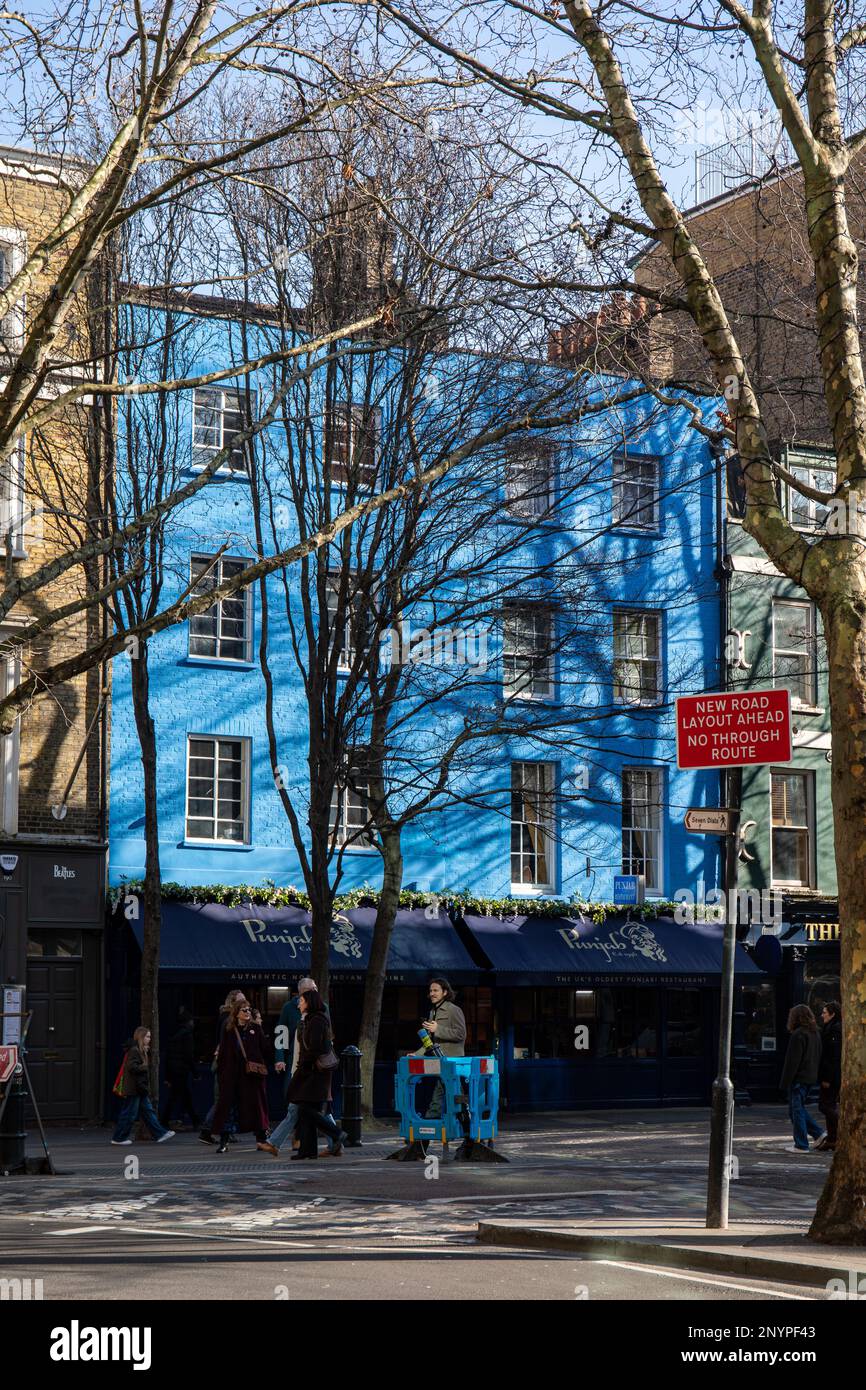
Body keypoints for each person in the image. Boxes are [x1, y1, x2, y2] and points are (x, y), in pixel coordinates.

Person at [261, 976, 338, 1157]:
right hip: (298, 1065)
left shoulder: (321, 1011)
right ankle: (326, 1142)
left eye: (316, 988)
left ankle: (330, 1140)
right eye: (312, 989)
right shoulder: (290, 1008)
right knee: (306, 1106)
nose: (315, 992)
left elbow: (326, 1039)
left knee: (305, 1106)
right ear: (303, 992)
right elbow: (282, 1032)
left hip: (310, 1068)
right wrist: (280, 1057)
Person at [281, 989, 346, 1159]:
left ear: (309, 1002)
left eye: (301, 1000)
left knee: (306, 1109)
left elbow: (315, 1048)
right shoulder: (311, 1020)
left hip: (314, 1074)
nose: (298, 1003)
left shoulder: (317, 1021)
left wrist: (303, 1067)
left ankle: (336, 1133)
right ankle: (308, 1151)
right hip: (311, 1073)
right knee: (307, 1111)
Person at [210, 999, 272, 1154]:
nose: (248, 1012)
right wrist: (223, 1074)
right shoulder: (229, 1029)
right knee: (228, 1108)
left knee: (256, 1107)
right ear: (236, 1012)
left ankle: (261, 1139)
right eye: (244, 1010)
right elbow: (224, 1053)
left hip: (252, 1076)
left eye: (249, 1009)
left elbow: (265, 1049)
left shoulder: (256, 1029)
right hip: (232, 1076)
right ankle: (224, 1141)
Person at [111, 1026, 175, 1145]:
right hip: (134, 1088)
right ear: (141, 1037)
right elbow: (131, 1067)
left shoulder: (140, 1050)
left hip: (139, 1088)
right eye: (147, 1036)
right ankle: (119, 1138)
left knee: (148, 1111)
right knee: (130, 1114)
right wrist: (144, 1067)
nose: (149, 1039)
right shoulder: (134, 1050)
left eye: (150, 1036)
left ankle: (160, 1134)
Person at [200, 989, 246, 1145]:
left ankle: (226, 1130)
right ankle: (207, 1130)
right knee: (223, 1099)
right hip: (226, 1064)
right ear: (233, 1003)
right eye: (241, 1001)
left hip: (224, 1062)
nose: (245, 1005)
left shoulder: (227, 1018)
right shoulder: (228, 1019)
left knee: (226, 1099)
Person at [780, 1004, 823, 1152]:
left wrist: (785, 1082)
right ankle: (818, 1133)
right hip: (810, 1077)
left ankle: (801, 1144)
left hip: (799, 1078)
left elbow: (792, 1061)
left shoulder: (798, 1034)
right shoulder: (815, 1033)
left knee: (796, 1111)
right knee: (796, 1110)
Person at [422, 977, 466, 1120]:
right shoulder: (432, 1012)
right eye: (430, 990)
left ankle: (425, 1131)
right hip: (439, 1061)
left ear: (445, 992)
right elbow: (429, 1042)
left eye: (436, 990)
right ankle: (469, 1133)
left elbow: (461, 1034)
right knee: (454, 1096)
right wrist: (416, 1054)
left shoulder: (454, 1010)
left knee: (442, 1096)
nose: (432, 993)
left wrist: (438, 1029)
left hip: (452, 1060)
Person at [161, 1006, 199, 1131]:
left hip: (174, 1070)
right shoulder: (187, 1035)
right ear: (189, 1022)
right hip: (182, 1070)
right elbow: (189, 1055)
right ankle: (195, 1121)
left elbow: (168, 1055)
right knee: (181, 1096)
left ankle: (166, 1120)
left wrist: (167, 1075)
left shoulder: (174, 1034)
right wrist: (195, 1072)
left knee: (179, 1096)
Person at [816, 1001, 842, 1151]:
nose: (822, 1015)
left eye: (825, 1012)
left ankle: (839, 1133)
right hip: (830, 1074)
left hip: (831, 1076)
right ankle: (833, 1139)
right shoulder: (830, 1028)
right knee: (828, 1105)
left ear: (832, 1014)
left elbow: (833, 1056)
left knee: (825, 1105)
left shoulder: (835, 1030)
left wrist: (827, 1078)